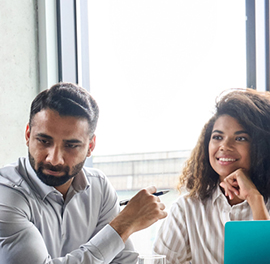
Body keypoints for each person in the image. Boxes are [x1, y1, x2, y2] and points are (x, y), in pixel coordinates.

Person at [0, 82, 167, 264]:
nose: (54, 159)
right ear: (27, 135)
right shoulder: (5, 193)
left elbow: (123, 261)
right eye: (43, 141)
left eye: (71, 145)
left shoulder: (99, 188)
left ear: (90, 146)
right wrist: (124, 224)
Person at [153, 89, 270, 264]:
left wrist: (255, 200)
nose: (224, 146)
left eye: (240, 138)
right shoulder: (186, 208)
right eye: (217, 137)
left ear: (263, 147)